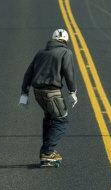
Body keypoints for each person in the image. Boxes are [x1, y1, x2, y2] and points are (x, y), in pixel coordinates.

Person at [19, 29, 78, 163]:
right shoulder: (65, 52)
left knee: (49, 119)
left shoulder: (40, 53)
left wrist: (24, 93)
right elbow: (69, 73)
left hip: (37, 93)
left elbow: (29, 73)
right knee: (61, 121)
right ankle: (47, 151)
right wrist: (72, 92)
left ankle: (46, 150)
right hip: (52, 93)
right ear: (65, 41)